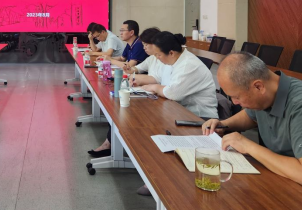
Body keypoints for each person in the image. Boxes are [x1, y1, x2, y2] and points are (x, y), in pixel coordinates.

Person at [204, 52, 302, 202]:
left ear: (258, 86)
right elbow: (250, 116)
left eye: (236, 97)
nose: (234, 102)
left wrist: (247, 145)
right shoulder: (266, 94)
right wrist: (223, 124)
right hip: (276, 178)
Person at [87, 27, 160, 162]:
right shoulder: (152, 58)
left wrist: (125, 68)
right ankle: (110, 143)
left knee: (119, 107)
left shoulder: (141, 48)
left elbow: (157, 80)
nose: (144, 47)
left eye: (122, 30)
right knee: (116, 105)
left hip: (156, 97)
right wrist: (129, 69)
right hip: (148, 90)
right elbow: (134, 67)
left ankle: (114, 145)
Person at [139, 32, 218, 120]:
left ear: (171, 53)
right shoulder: (176, 60)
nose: (157, 58)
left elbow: (172, 93)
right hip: (182, 110)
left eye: (158, 55)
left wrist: (155, 87)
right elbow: (162, 81)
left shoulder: (188, 65)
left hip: (201, 117)